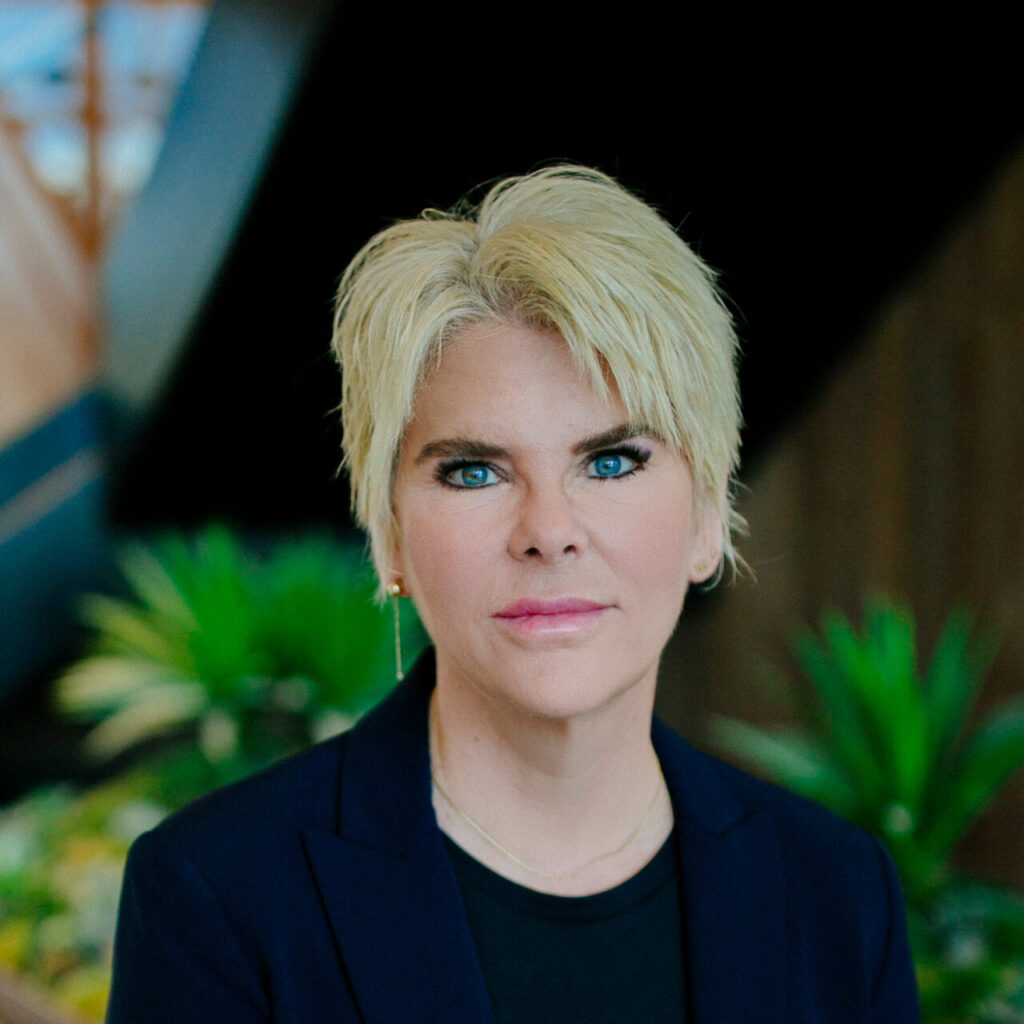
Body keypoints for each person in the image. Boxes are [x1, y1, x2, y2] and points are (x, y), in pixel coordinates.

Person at [107, 166, 919, 1022]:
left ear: (709, 514)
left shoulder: (838, 893)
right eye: (474, 471)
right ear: (389, 535)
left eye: (611, 461)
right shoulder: (217, 898)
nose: (548, 528)